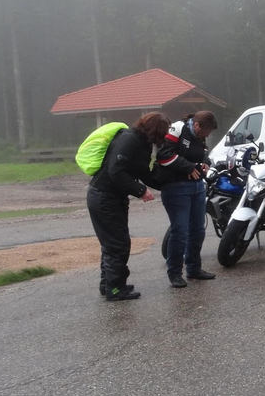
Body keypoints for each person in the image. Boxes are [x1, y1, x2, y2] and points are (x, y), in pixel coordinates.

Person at [88, 112, 169, 301]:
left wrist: (166, 182)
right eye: (162, 133)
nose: (163, 138)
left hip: (113, 197)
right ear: (154, 131)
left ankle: (108, 284)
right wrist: (140, 190)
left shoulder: (143, 143)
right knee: (117, 244)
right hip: (103, 196)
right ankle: (115, 289)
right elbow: (115, 171)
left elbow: (144, 172)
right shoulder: (129, 139)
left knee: (113, 243)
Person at [154, 110, 219, 288]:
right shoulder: (177, 129)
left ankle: (194, 269)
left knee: (198, 230)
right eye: (205, 132)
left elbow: (202, 153)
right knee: (180, 231)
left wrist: (206, 163)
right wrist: (189, 167)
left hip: (197, 187)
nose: (207, 135)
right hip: (176, 187)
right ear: (196, 125)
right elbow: (163, 155)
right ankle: (174, 273)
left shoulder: (200, 135)